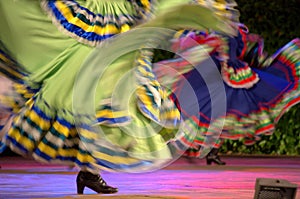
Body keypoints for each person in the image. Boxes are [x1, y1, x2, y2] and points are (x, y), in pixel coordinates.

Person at [0, 0, 236, 195]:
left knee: (121, 99)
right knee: (91, 96)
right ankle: (89, 171)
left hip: (122, 27)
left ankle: (89, 172)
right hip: (99, 20)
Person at [152, 1, 299, 164]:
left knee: (221, 116)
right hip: (215, 76)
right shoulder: (213, 33)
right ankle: (196, 148)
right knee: (209, 113)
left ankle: (211, 152)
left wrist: (253, 51)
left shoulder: (235, 32)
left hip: (230, 75)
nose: (229, 15)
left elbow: (242, 50)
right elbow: (206, 50)